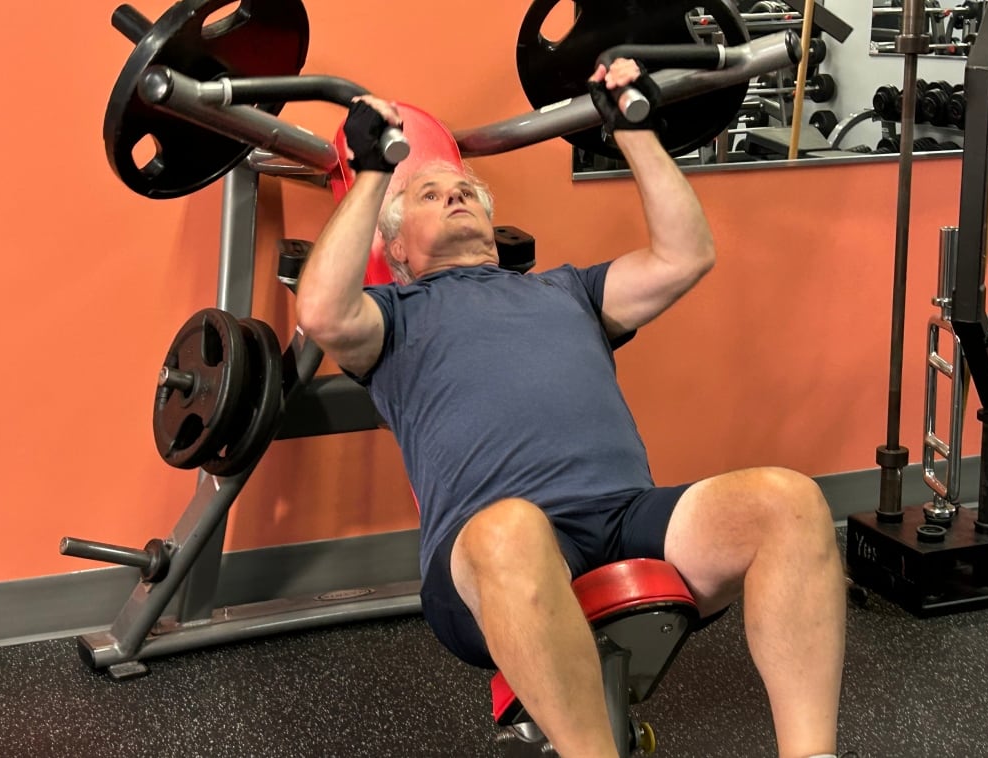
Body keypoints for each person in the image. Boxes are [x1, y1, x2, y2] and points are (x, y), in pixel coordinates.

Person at [296, 58, 846, 758]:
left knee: (789, 502)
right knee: (512, 531)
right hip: (491, 548)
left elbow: (685, 257)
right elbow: (320, 311)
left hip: (626, 514)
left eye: (465, 190)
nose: (457, 194)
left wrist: (635, 130)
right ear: (394, 248)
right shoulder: (392, 313)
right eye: (432, 195)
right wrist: (374, 171)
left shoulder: (568, 290)